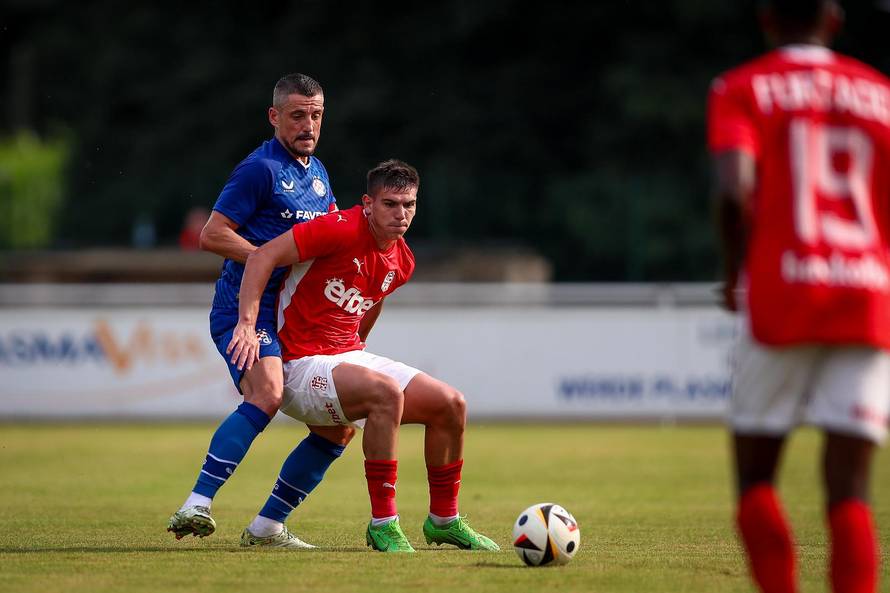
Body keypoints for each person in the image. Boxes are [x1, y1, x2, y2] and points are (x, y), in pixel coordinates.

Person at [708, 1, 890, 591]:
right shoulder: (881, 92)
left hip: (784, 292)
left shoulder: (742, 87)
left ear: (766, 17)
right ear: (835, 19)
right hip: (866, 299)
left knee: (758, 479)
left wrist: (736, 271)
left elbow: (735, 193)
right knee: (851, 490)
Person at [227, 159, 500, 552]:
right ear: (367, 204)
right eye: (390, 204)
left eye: (409, 204)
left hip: (345, 356)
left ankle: (444, 520)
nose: (401, 214)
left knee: (450, 404)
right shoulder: (338, 227)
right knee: (385, 393)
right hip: (296, 362)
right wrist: (247, 324)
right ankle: (383, 524)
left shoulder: (402, 260)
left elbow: (372, 299)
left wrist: (356, 353)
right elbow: (262, 255)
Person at [168, 73, 359, 548]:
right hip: (244, 309)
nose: (308, 124)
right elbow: (211, 234)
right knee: (268, 392)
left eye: (315, 114)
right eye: (297, 115)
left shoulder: (318, 173)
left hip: (297, 316)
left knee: (339, 429)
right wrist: (264, 256)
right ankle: (196, 504)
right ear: (274, 117)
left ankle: (268, 526)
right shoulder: (261, 169)